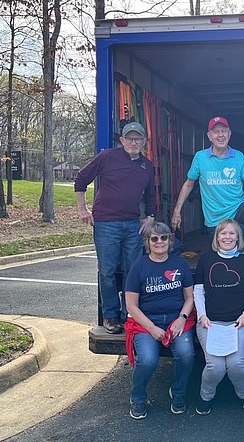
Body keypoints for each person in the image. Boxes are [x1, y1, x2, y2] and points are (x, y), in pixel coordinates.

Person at [75, 121, 157, 334]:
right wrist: (82, 210)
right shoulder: (107, 157)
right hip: (105, 223)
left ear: (144, 142)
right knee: (108, 271)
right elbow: (81, 179)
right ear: (122, 140)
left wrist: (150, 216)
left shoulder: (147, 166)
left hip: (132, 224)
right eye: (129, 138)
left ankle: (128, 314)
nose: (133, 142)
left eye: (138, 138)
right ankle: (110, 316)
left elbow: (150, 194)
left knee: (133, 270)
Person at [124, 222, 196, 419]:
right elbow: (131, 305)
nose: (159, 242)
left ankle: (178, 392)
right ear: (147, 242)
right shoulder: (138, 267)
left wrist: (181, 318)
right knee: (147, 360)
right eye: (154, 238)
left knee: (186, 355)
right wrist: (152, 328)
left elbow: (190, 298)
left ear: (170, 241)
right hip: (146, 322)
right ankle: (137, 397)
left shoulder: (180, 264)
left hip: (177, 319)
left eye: (164, 237)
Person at [171, 116, 244, 254]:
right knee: (218, 254)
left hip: (237, 207)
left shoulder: (238, 156)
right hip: (215, 216)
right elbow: (188, 185)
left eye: (224, 131)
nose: (220, 135)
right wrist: (177, 210)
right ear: (209, 136)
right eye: (216, 132)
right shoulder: (200, 157)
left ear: (229, 134)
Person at [193, 218, 244, 415]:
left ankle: (243, 393)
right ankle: (206, 396)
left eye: (232, 233)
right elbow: (198, 291)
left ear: (238, 237)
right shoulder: (206, 260)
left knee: (236, 363)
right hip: (210, 322)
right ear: (217, 236)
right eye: (223, 233)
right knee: (215, 366)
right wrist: (202, 316)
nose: (227, 237)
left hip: (239, 323)